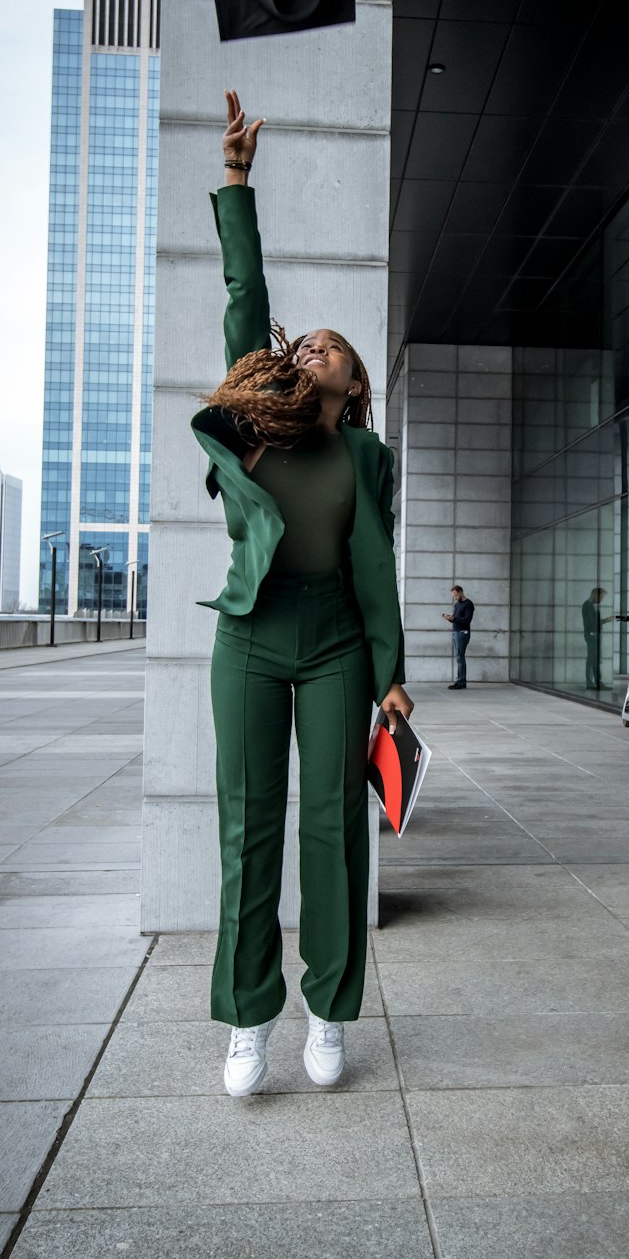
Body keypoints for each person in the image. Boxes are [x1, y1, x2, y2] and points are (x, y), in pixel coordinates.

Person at [191, 89, 413, 1098]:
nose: (306, 347)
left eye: (327, 347)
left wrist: (395, 680)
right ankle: (247, 1022)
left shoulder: (364, 453)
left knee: (331, 823)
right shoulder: (261, 422)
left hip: (332, 642)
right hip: (250, 633)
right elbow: (247, 293)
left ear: (353, 384)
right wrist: (237, 181)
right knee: (249, 828)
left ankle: (329, 1011)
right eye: (302, 343)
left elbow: (375, 567)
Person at [442, 585, 475, 689]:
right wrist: (449, 618)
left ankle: (460, 681)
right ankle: (461, 680)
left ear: (461, 592)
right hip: (456, 632)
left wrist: (454, 618)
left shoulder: (468, 604)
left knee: (460, 657)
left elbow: (467, 620)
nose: (454, 597)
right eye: (453, 596)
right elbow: (456, 619)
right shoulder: (457, 604)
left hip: (462, 633)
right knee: (459, 657)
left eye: (456, 595)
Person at [581, 586, 607, 689]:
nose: (601, 600)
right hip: (592, 635)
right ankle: (593, 682)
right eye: (601, 597)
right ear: (596, 595)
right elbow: (591, 623)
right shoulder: (588, 606)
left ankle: (594, 682)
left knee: (593, 660)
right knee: (592, 660)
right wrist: (606, 620)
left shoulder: (590, 606)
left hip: (593, 635)